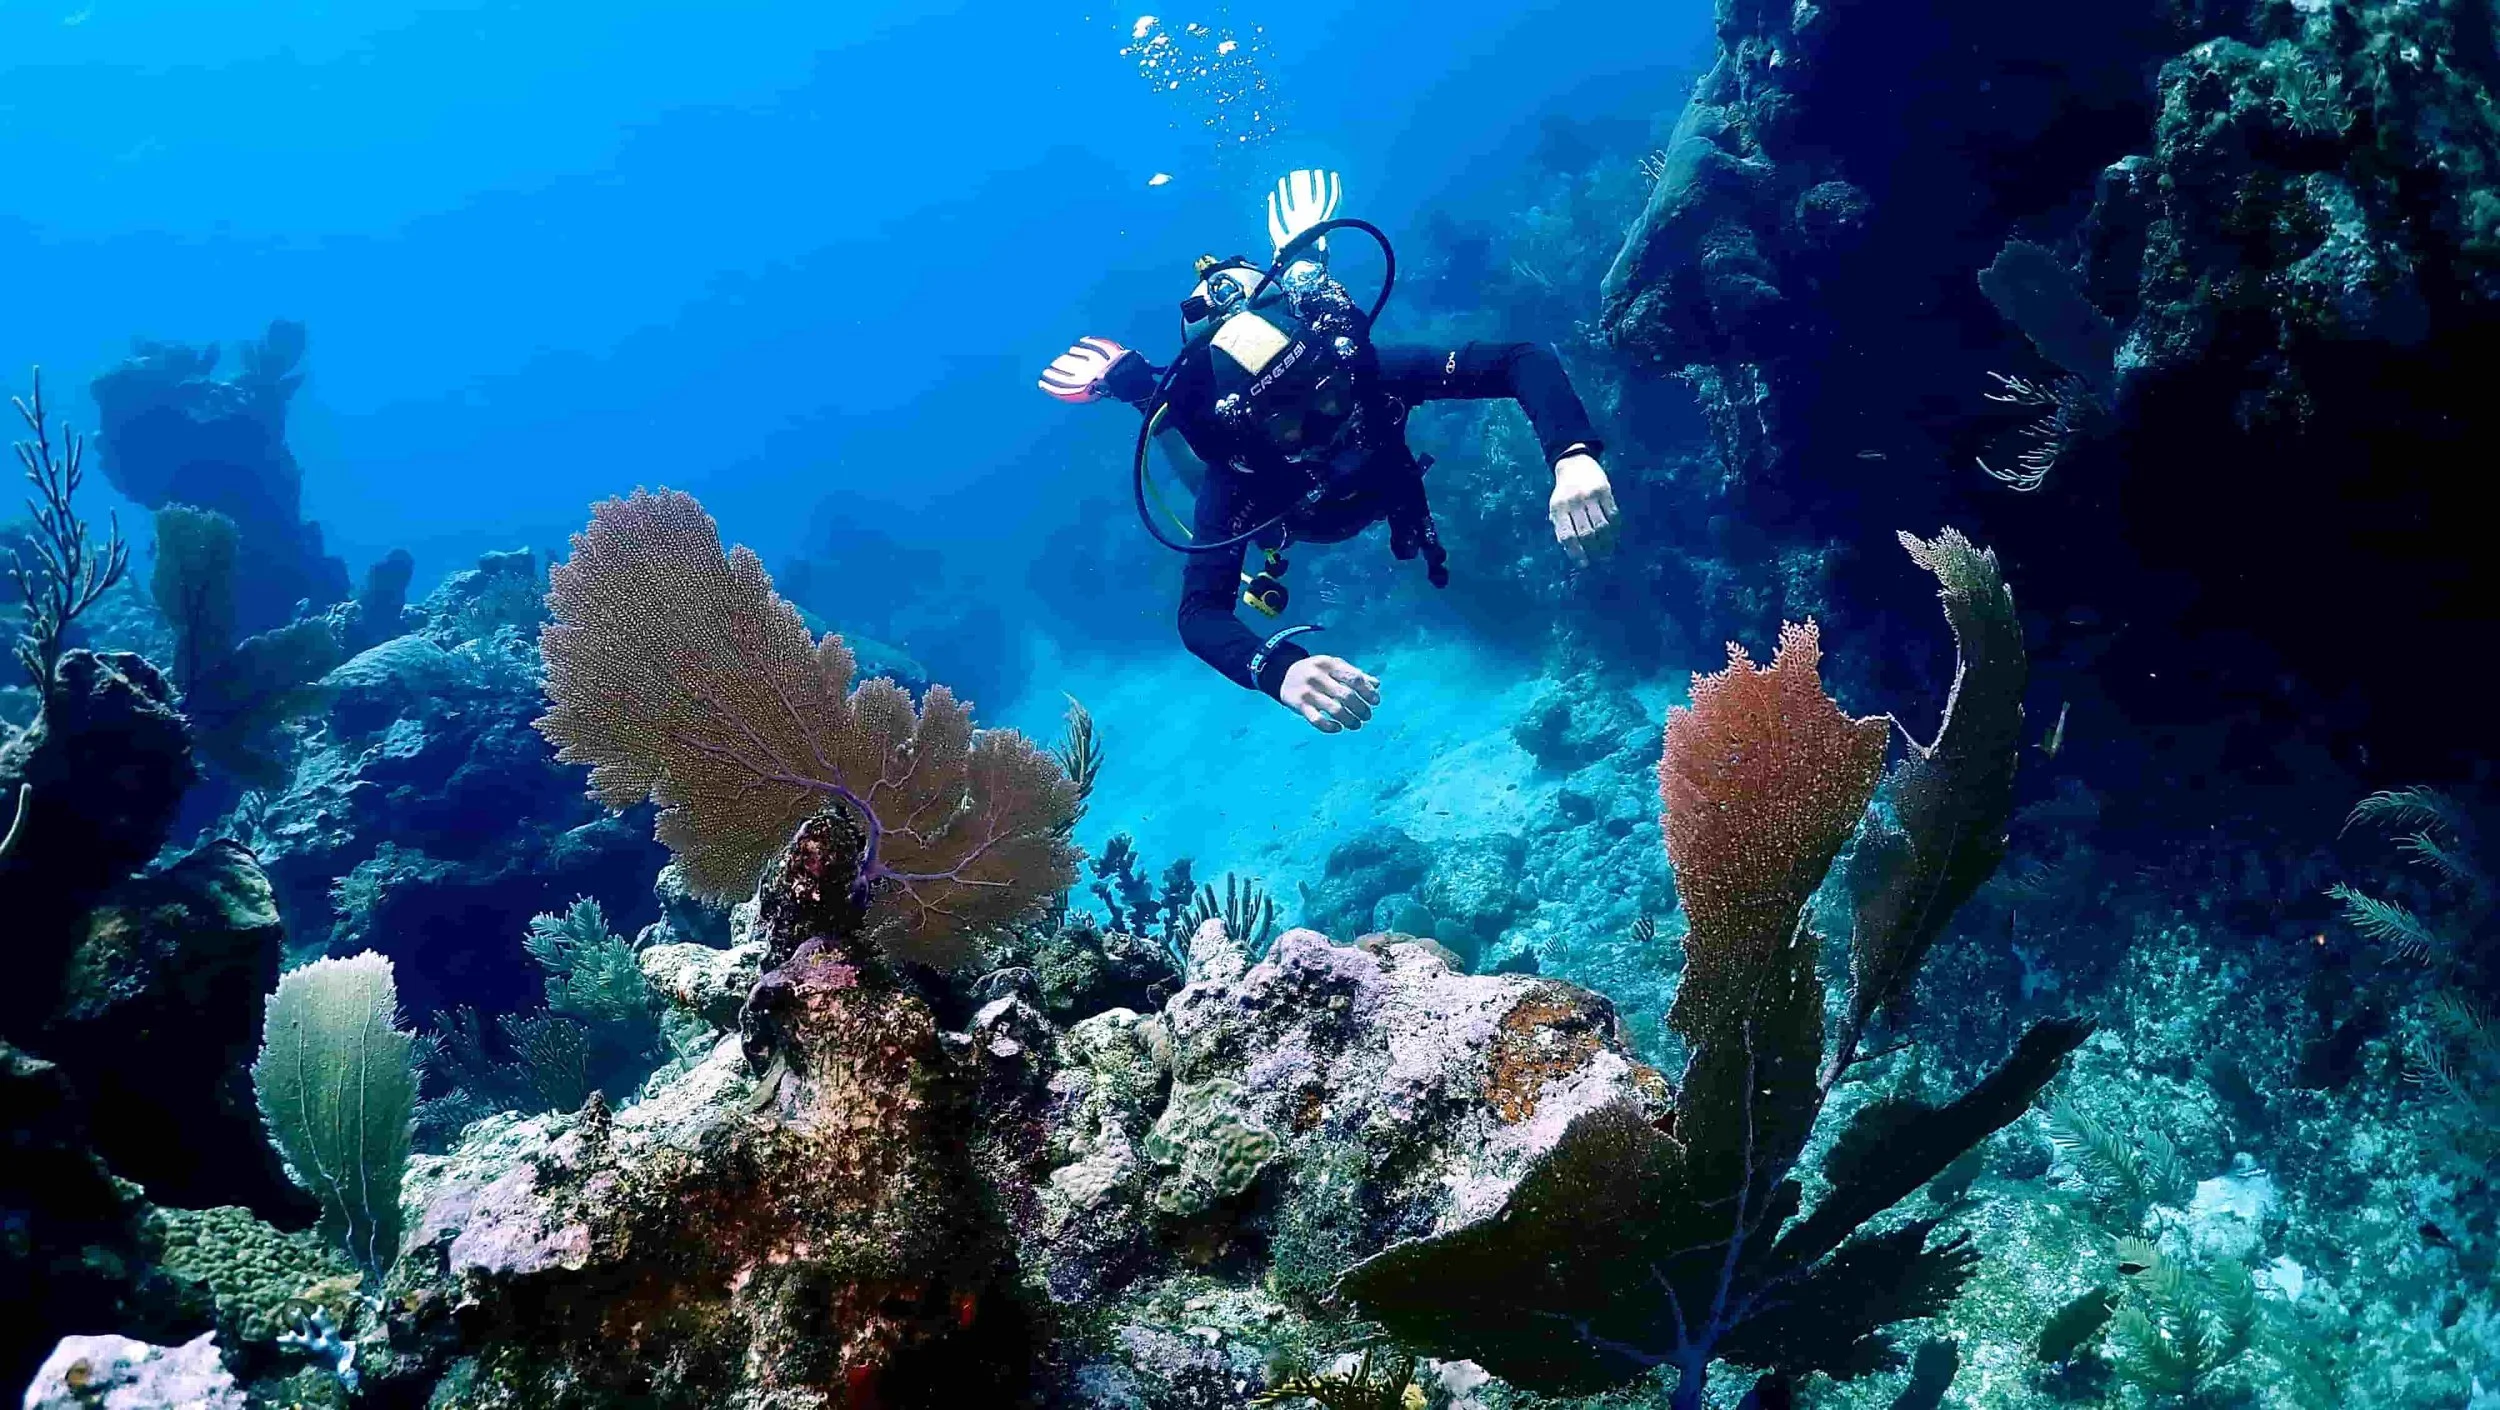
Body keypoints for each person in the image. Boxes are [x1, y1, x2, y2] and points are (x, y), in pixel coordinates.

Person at [1037, 170, 1619, 734]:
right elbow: (1200, 616)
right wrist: (1280, 670)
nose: (1326, 425)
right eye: (1291, 424)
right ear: (1256, 425)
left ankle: (1303, 266)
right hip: (1276, 501)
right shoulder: (1237, 469)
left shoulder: (1362, 371)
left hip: (1347, 459)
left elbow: (1521, 360)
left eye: (1328, 394)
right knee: (1200, 459)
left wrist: (1571, 454)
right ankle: (1146, 395)